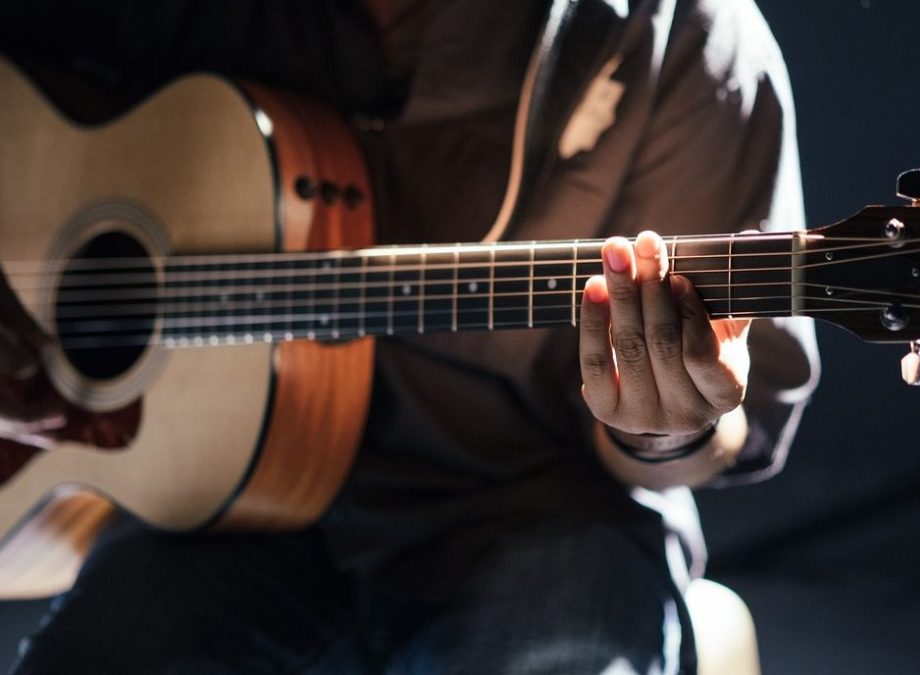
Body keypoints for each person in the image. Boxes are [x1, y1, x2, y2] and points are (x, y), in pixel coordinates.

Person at [0, 0, 818, 672]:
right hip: (215, 519)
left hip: (541, 513)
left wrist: (666, 425)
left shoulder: (683, 33)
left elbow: (725, 434)